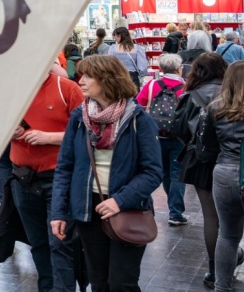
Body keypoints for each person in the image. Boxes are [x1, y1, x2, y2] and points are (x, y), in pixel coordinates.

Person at [50, 55, 163, 292]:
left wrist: (120, 200)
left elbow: (152, 172)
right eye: (81, 75)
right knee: (99, 282)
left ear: (108, 80)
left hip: (129, 209)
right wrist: (58, 212)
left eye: (89, 76)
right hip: (88, 210)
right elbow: (65, 168)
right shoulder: (80, 118)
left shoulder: (138, 120)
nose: (81, 80)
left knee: (122, 284)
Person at [7, 55, 83, 292]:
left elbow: (88, 133)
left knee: (59, 242)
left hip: (59, 179)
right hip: (23, 178)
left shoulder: (66, 88)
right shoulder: (12, 93)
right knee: (38, 243)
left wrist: (47, 137)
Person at [177, 52, 230, 288]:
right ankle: (229, 260)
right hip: (233, 158)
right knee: (232, 218)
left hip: (200, 159)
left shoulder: (191, 95)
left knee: (211, 216)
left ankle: (214, 270)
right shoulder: (234, 92)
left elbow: (179, 127)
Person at [198, 61, 244, 292]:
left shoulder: (215, 107)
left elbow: (207, 146)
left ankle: (221, 287)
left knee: (227, 235)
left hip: (225, 171)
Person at [137, 53, 188, 226]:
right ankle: (175, 213)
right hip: (179, 137)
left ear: (160, 68)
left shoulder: (151, 85)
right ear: (179, 68)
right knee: (176, 174)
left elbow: (139, 105)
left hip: (155, 136)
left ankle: (146, 208)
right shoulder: (186, 87)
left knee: (160, 172)